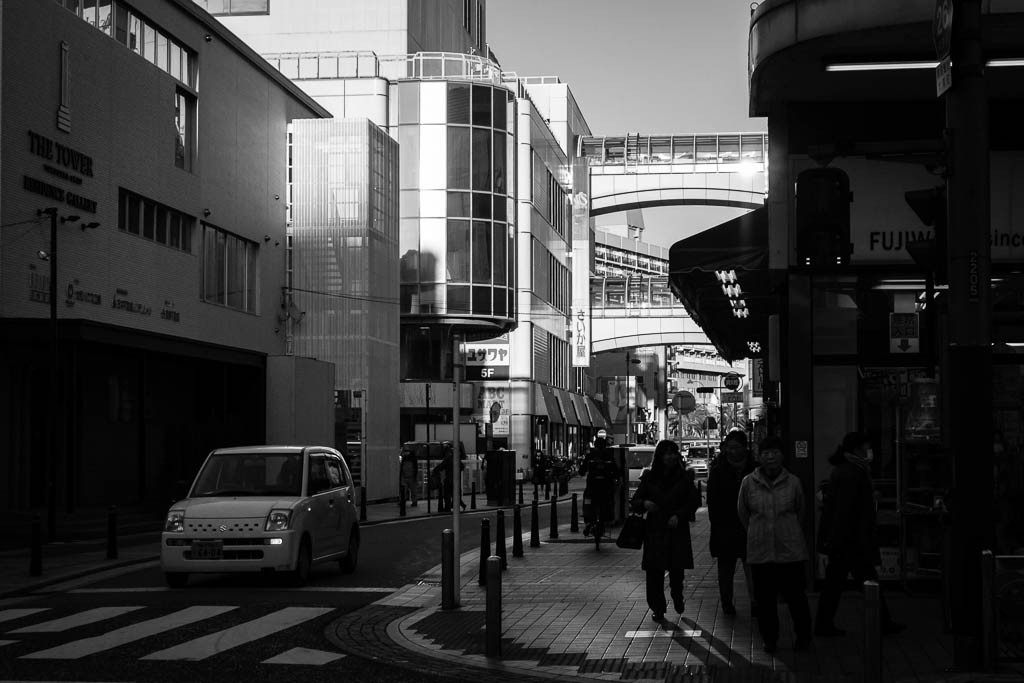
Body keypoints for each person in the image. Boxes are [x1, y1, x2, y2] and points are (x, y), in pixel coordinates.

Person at [815, 431, 906, 636]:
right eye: (866, 447)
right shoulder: (851, 472)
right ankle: (880, 622)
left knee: (837, 584)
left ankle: (825, 623)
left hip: (846, 540)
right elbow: (845, 510)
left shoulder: (850, 470)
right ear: (856, 449)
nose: (869, 452)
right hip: (851, 541)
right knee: (861, 581)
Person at [737, 435, 813, 654]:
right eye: (765, 453)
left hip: (790, 551)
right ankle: (770, 639)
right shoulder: (748, 483)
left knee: (796, 599)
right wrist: (758, 531)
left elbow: (801, 512)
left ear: (782, 456)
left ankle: (804, 637)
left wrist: (786, 531)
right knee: (765, 602)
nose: (770, 457)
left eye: (775, 452)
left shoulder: (793, 482)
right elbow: (743, 514)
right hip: (761, 552)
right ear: (758, 456)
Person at [630, 439, 700, 621]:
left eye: (672, 453)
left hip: (676, 529)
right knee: (654, 573)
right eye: (666, 453)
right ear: (659, 457)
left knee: (676, 571)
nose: (669, 457)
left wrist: (679, 515)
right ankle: (658, 608)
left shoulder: (684, 478)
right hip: (655, 530)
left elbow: (694, 501)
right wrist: (645, 503)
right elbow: (636, 501)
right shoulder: (649, 477)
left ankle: (677, 596)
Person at [707, 430, 756, 617]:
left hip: (749, 527)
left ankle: (756, 602)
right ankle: (727, 602)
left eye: (735, 447)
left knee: (752, 566)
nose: (731, 451)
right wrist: (717, 523)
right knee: (726, 569)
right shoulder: (719, 471)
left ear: (745, 448)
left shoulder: (754, 469)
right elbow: (712, 501)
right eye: (729, 448)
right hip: (725, 527)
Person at [579, 436, 620, 536]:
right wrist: (615, 476)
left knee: (587, 501)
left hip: (592, 487)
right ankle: (607, 519)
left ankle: (588, 521)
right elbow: (616, 471)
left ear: (595, 445)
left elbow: (582, 471)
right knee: (608, 502)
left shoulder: (590, 455)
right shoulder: (608, 456)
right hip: (605, 487)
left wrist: (583, 472)